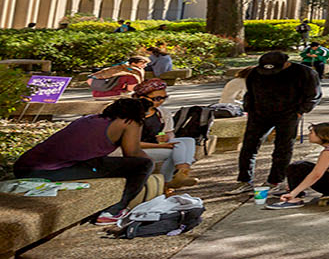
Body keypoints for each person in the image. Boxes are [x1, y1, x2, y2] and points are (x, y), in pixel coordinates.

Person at [14, 97, 156, 225]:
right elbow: (132, 153)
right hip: (46, 172)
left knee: (105, 163)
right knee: (144, 165)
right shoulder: (129, 122)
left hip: (24, 167)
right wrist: (151, 164)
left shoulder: (91, 119)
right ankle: (114, 211)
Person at [231, 52, 321, 194]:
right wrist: (249, 109)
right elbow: (250, 93)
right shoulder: (255, 73)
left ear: (286, 63)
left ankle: (275, 181)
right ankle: (244, 180)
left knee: (283, 148)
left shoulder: (304, 72)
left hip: (288, 114)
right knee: (249, 146)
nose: (269, 73)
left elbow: (314, 94)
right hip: (259, 114)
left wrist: (300, 111)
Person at [266, 122, 329, 208]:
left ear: (322, 136)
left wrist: (293, 192)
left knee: (297, 167)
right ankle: (294, 191)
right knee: (302, 165)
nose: (309, 134)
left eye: (312, 133)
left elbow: (316, 174)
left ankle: (294, 198)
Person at [131, 80, 199, 189]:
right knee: (177, 148)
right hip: (136, 149)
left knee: (189, 141)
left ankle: (180, 174)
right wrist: (160, 146)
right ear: (142, 98)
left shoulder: (162, 112)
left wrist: (167, 137)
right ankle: (170, 180)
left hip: (156, 145)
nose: (161, 101)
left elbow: (170, 132)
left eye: (164, 98)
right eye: (157, 98)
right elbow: (130, 144)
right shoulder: (132, 115)